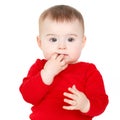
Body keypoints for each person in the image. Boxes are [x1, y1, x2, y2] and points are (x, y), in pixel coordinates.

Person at [19, 5, 108, 120]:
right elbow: (28, 96)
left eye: (70, 39)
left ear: (82, 42)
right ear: (40, 42)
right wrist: (47, 74)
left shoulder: (89, 71)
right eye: (53, 39)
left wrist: (86, 105)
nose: (62, 46)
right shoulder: (40, 67)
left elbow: (101, 102)